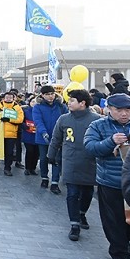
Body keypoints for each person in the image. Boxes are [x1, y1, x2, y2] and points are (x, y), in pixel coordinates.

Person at [84, 92, 130, 259]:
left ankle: (126, 241)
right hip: (110, 182)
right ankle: (120, 255)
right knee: (114, 221)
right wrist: (110, 142)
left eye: (128, 109)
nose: (124, 113)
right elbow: (90, 148)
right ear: (109, 109)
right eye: (119, 110)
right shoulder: (98, 125)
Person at [48, 89, 100, 242]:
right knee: (72, 193)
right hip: (70, 161)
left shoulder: (97, 120)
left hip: (90, 161)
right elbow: (55, 139)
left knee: (87, 192)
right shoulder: (63, 119)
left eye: (72, 100)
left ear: (82, 103)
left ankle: (82, 213)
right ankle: (74, 224)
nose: (68, 103)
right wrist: (51, 155)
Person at [33, 85, 68, 192]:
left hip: (58, 138)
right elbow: (38, 121)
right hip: (43, 137)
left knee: (56, 160)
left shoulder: (61, 106)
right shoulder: (38, 107)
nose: (50, 96)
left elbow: (66, 119)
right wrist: (43, 132)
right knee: (43, 158)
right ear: (42, 95)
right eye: (47, 94)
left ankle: (55, 182)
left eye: (52, 94)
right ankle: (44, 177)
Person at [0, 91, 24, 176]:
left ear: (13, 98)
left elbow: (20, 119)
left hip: (11, 134)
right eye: (7, 97)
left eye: (10, 97)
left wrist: (9, 120)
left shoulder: (17, 107)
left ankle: (7, 168)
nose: (8, 98)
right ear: (3, 98)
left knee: (9, 152)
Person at [21, 95, 39, 175]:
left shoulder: (40, 111)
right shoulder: (25, 110)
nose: (34, 103)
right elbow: (21, 121)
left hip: (38, 134)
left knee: (36, 152)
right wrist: (25, 126)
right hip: (28, 134)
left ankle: (33, 168)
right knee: (30, 151)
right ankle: (27, 168)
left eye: (36, 102)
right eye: (32, 101)